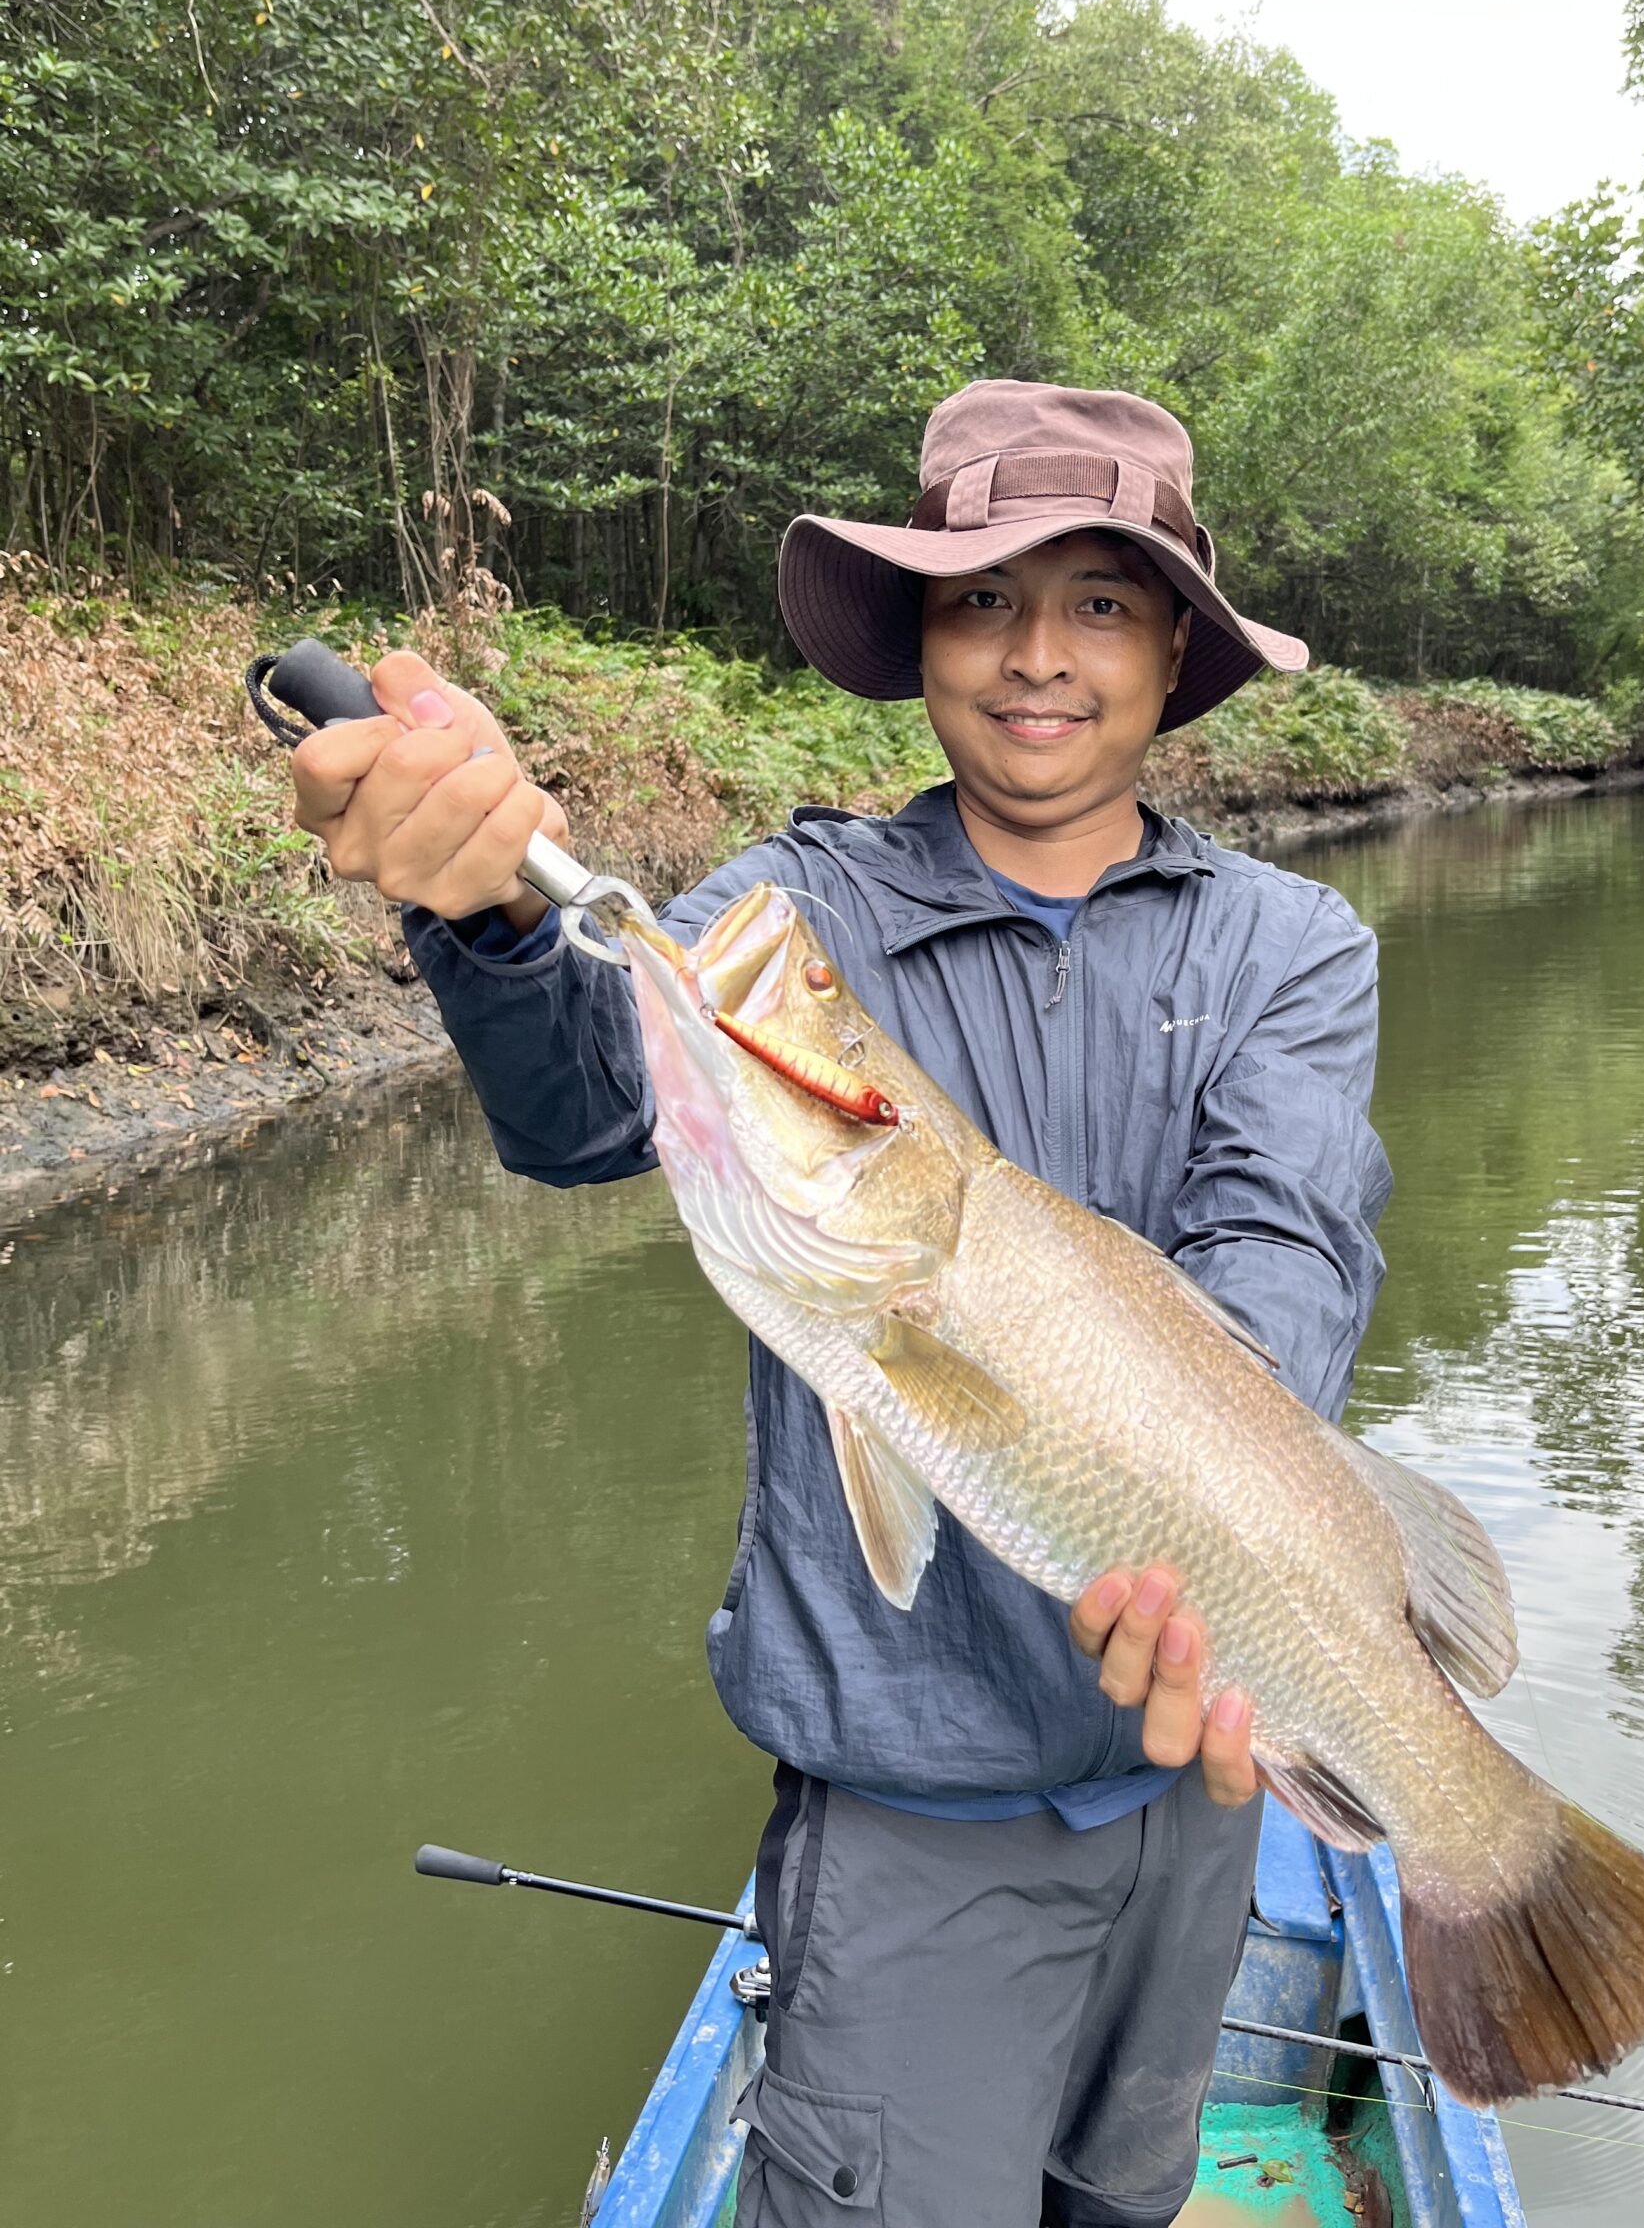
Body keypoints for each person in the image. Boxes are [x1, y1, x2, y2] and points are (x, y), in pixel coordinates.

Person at [289, 380, 1391, 2228]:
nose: (1038, 656)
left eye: (1101, 603)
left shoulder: (1291, 945)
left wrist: (1201, 1548)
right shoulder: (792, 918)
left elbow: (1286, 1243)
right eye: (983, 599)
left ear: (1174, 650)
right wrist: (483, 914)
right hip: (914, 1820)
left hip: (1206, 1800)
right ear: (923, 642)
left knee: (1124, 2199)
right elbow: (583, 1111)